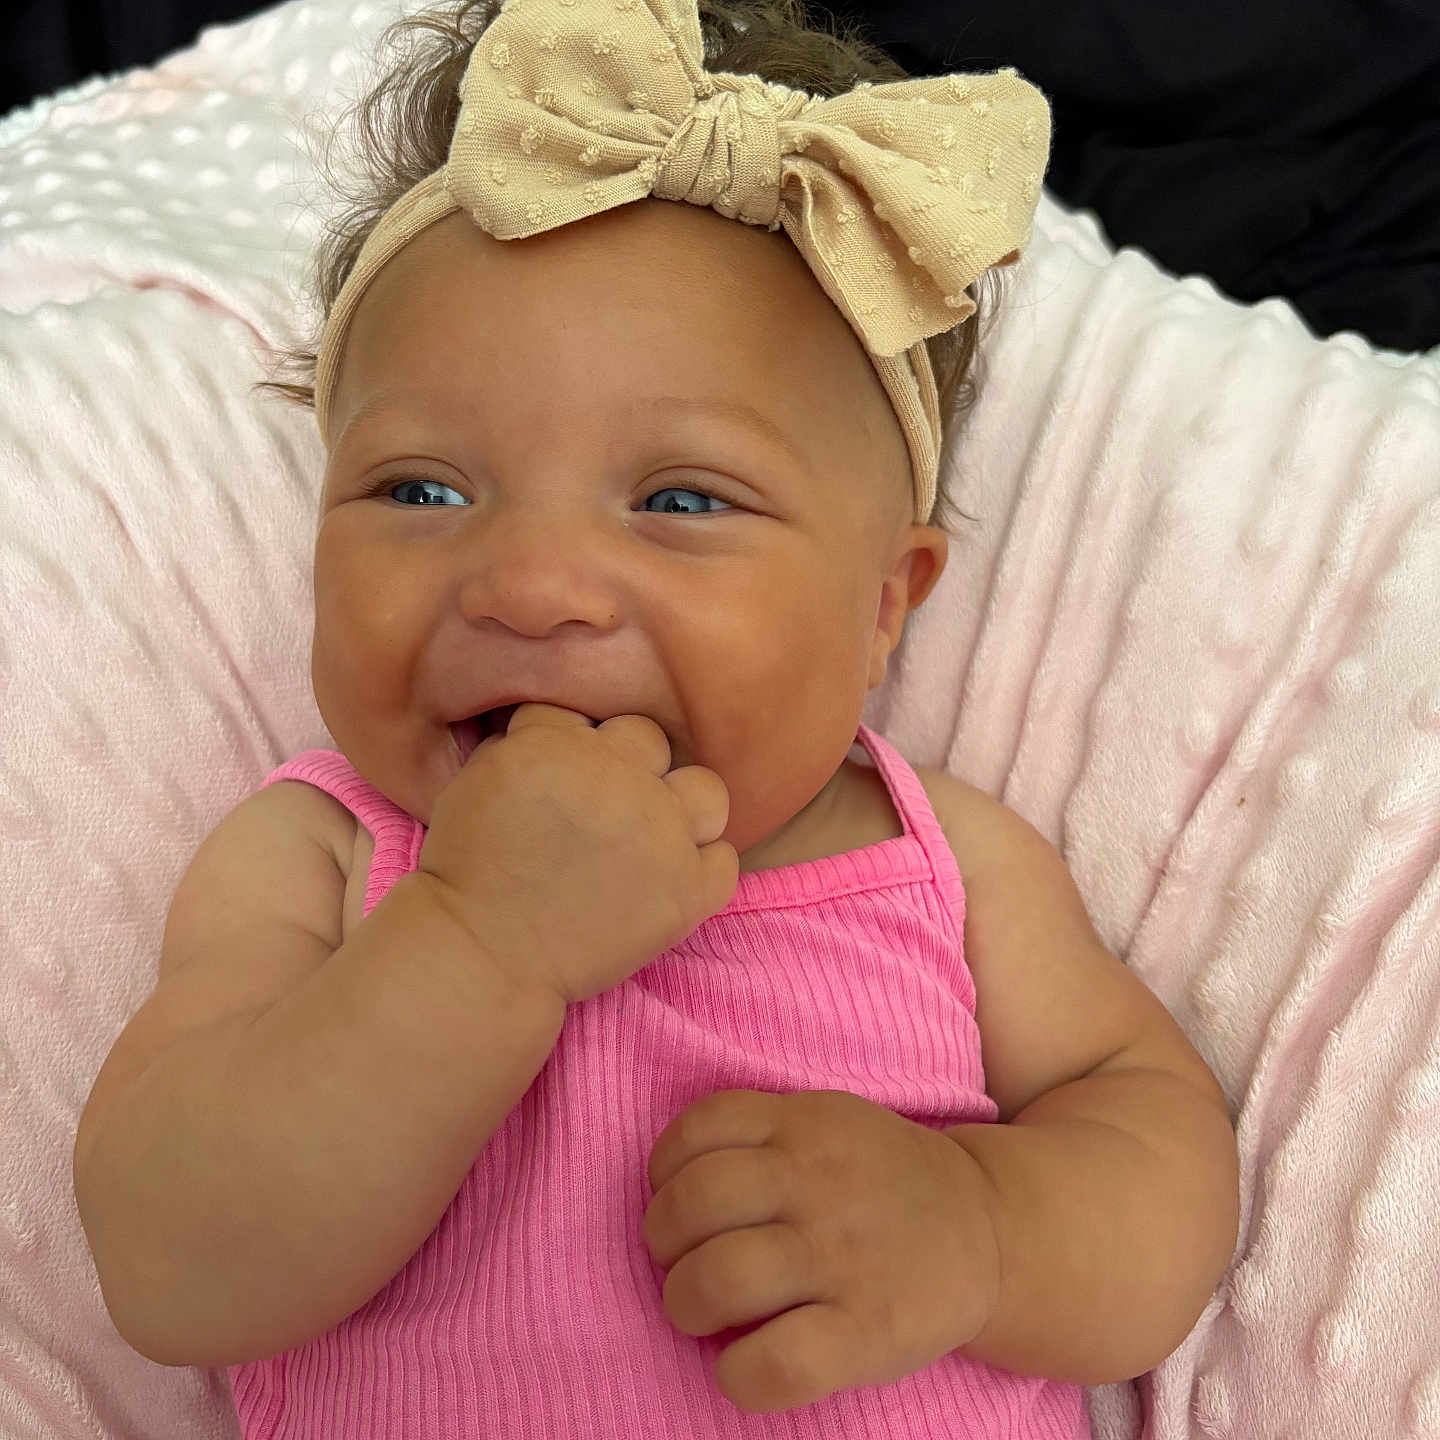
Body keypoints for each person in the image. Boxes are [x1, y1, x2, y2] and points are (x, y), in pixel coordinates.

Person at [71, 1, 1241, 1435]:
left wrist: (985, 1226)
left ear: (886, 604)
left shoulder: (947, 866)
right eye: (421, 490)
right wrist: (475, 943)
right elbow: (173, 1268)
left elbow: (1160, 1158)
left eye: (681, 501)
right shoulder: (317, 861)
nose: (534, 585)